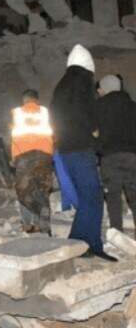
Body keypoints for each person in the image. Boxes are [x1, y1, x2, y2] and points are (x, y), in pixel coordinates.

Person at [51, 44, 116, 261]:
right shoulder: (80, 83)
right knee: (92, 198)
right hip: (80, 148)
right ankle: (77, 244)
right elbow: (82, 111)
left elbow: (59, 115)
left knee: (91, 198)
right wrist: (94, 129)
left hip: (67, 149)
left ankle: (90, 245)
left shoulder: (62, 85)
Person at [95, 74, 136, 237]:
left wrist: (98, 149)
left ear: (105, 88)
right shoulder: (133, 106)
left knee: (113, 197)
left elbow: (94, 132)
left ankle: (117, 234)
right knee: (134, 194)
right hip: (132, 156)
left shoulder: (99, 106)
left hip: (110, 156)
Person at [10, 89, 54, 234]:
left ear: (24, 100)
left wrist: (13, 157)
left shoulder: (17, 113)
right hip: (45, 156)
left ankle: (29, 223)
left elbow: (14, 136)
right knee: (42, 191)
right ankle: (45, 230)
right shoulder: (45, 112)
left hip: (25, 155)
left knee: (24, 193)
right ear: (37, 100)